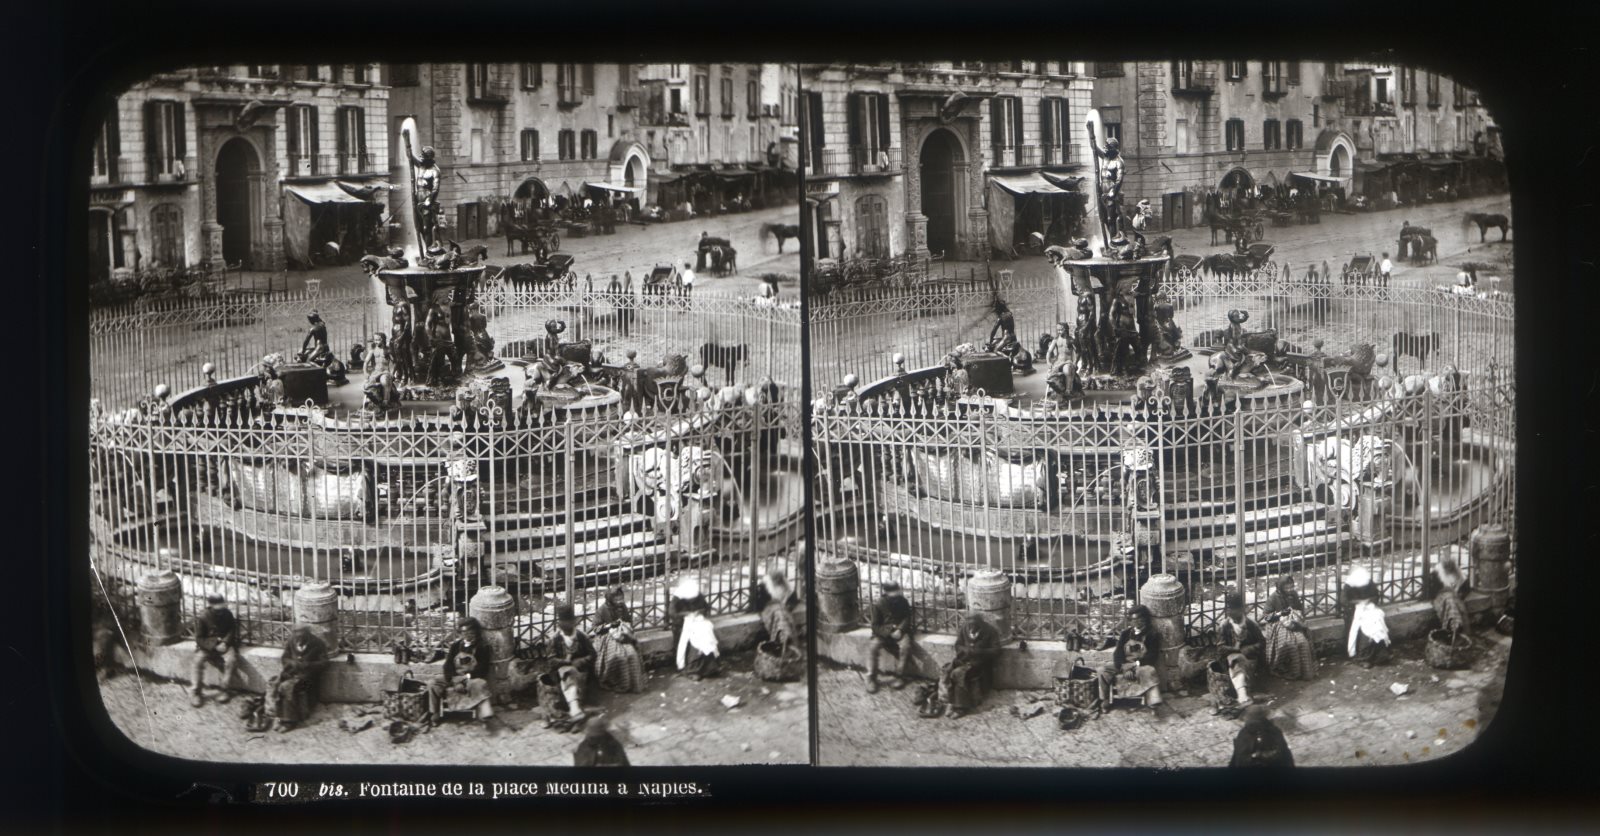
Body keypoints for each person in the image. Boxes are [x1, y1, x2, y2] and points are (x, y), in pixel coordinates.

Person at [427, 618, 496, 728]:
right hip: (455, 677)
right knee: (432, 683)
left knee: (481, 684)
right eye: (464, 632)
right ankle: (434, 713)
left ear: (476, 632)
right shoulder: (455, 646)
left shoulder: (483, 647)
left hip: (471, 679)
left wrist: (465, 679)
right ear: (460, 633)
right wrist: (453, 680)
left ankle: (484, 716)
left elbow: (483, 669)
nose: (467, 635)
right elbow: (448, 665)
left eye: (470, 632)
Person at [1098, 605, 1166, 716]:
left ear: (1145, 619)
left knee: (1150, 671)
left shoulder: (1152, 634)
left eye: (1139, 619)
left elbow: (1152, 656)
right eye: (1133, 619)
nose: (1136, 622)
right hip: (1124, 665)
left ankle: (1153, 704)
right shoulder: (1126, 634)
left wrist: (1135, 665)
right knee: (1102, 670)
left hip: (1140, 666)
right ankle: (1105, 700)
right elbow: (1118, 653)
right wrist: (1123, 667)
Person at [268, 626, 328, 732]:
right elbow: (284, 658)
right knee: (276, 684)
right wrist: (292, 663)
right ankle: (280, 717)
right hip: (291, 673)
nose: (298, 640)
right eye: (296, 636)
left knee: (286, 687)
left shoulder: (318, 643)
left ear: (308, 635)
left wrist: (308, 665)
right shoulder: (292, 640)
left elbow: (324, 663)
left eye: (301, 637)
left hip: (308, 677)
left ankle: (289, 721)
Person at [941, 613, 1000, 719]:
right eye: (969, 625)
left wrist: (978, 652)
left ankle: (961, 707)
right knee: (948, 670)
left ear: (980, 624)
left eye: (974, 625)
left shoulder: (990, 631)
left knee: (958, 674)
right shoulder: (965, 628)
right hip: (963, 659)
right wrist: (965, 650)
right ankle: (951, 702)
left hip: (980, 663)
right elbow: (958, 644)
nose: (971, 628)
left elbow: (996, 651)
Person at [546, 605, 596, 725]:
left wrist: (581, 661)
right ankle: (575, 708)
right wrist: (566, 662)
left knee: (572, 673)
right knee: (567, 672)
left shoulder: (581, 636)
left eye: (569, 622)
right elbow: (551, 660)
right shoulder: (554, 639)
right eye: (563, 622)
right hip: (562, 673)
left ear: (573, 622)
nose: (567, 625)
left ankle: (574, 708)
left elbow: (593, 655)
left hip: (581, 670)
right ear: (560, 624)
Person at [189, 594, 242, 707]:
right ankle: (195, 692)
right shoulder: (203, 617)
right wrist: (214, 646)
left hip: (224, 645)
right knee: (197, 661)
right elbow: (199, 638)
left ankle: (224, 689)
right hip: (208, 646)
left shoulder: (227, 614)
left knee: (231, 660)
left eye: (222, 606)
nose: (220, 610)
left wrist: (225, 643)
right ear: (211, 606)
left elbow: (232, 630)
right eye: (218, 607)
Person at [1262, 575, 1317, 680]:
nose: (1289, 590)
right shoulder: (1273, 598)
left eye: (1291, 587)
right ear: (1280, 588)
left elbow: (1300, 608)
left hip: (1292, 622)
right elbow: (1266, 617)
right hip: (1277, 624)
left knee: (1302, 642)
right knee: (1290, 644)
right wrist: (1280, 613)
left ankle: (1304, 672)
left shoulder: (1294, 594)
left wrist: (1296, 615)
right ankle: (1289, 671)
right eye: (1287, 588)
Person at [1217, 591, 1266, 706]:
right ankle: (1242, 694)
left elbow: (1262, 643)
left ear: (1241, 610)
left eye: (1233, 609)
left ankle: (1242, 692)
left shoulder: (1251, 624)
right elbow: (1220, 648)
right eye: (1228, 609)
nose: (1229, 612)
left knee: (1240, 660)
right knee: (1236, 659)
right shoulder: (1224, 625)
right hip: (1231, 661)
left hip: (1250, 658)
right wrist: (1235, 649)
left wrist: (1248, 649)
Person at [592, 585, 645, 694]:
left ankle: (632, 684)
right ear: (610, 599)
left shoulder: (622, 607)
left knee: (631, 654)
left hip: (621, 635)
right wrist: (609, 625)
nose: (620, 601)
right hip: (606, 637)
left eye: (621, 598)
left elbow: (628, 619)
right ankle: (618, 683)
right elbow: (595, 628)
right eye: (616, 599)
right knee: (619, 656)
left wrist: (625, 625)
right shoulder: (602, 610)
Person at [867, 581, 915, 693]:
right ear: (886, 593)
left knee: (905, 646)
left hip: (900, 632)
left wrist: (900, 630)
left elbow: (907, 618)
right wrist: (889, 633)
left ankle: (899, 675)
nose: (895, 595)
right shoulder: (879, 604)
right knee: (873, 647)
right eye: (892, 593)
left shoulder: (903, 601)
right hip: (883, 633)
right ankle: (871, 677)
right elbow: (875, 626)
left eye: (897, 592)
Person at [1342, 565, 1392, 667]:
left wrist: (1369, 602)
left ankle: (1379, 654)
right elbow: (1344, 601)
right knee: (1364, 626)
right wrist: (1358, 603)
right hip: (1353, 611)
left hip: (1369, 608)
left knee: (1377, 623)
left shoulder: (1369, 583)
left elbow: (1376, 596)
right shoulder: (1349, 586)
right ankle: (1362, 657)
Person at [675, 587, 722, 681]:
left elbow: (706, 608)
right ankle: (694, 669)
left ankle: (708, 668)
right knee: (695, 641)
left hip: (700, 621)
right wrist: (687, 614)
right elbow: (673, 614)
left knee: (707, 636)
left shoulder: (699, 597)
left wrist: (699, 612)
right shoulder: (678, 600)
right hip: (686, 622)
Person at [1229, 705, 1294, 767]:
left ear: (1248, 717)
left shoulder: (1245, 732)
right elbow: (1285, 754)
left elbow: (1239, 758)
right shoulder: (1274, 730)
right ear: (1264, 715)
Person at [1422, 557, 1471, 635]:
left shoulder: (1458, 572)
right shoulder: (1437, 573)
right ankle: (1452, 626)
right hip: (1441, 597)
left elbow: (1465, 588)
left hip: (1455, 597)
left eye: (1451, 568)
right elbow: (1432, 591)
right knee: (1450, 603)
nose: (1449, 570)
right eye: (1448, 568)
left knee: (1458, 606)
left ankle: (1458, 628)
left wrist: (1459, 594)